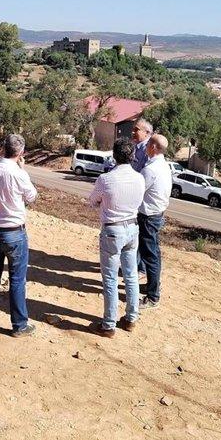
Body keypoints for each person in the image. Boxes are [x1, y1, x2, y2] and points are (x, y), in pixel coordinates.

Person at [0, 134, 38, 337]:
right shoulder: (19, 174)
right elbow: (32, 196)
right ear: (21, 152)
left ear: (3, 148)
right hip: (14, 232)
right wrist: (23, 170)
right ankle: (19, 324)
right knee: (17, 279)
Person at [88, 138, 145, 337]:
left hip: (113, 230)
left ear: (114, 155)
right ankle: (131, 318)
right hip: (132, 228)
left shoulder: (106, 179)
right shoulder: (140, 178)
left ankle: (109, 324)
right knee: (131, 275)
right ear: (133, 156)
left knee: (110, 278)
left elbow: (92, 201)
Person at [137, 134, 172, 309]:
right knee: (154, 254)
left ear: (153, 147)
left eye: (148, 143)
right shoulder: (164, 166)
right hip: (157, 214)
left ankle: (152, 297)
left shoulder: (150, 170)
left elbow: (137, 190)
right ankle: (152, 285)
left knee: (150, 256)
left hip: (148, 217)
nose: (145, 146)